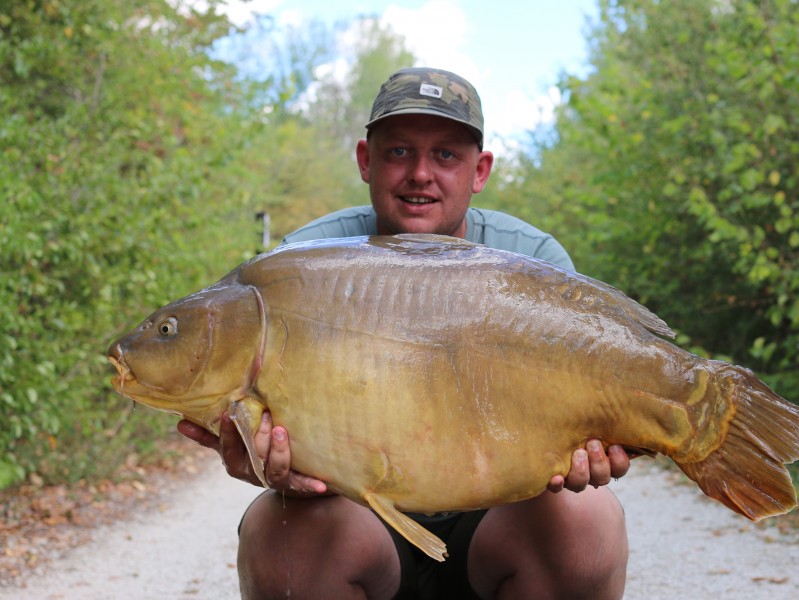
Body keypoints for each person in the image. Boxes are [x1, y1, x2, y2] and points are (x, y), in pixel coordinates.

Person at [178, 67, 630, 600]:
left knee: (586, 520)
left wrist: (597, 447)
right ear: (366, 160)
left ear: (479, 170)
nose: (420, 173)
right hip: (358, 526)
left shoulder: (532, 263)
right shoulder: (297, 265)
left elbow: (589, 422)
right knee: (278, 537)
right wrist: (268, 467)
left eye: (445, 155)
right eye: (398, 152)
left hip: (498, 528)